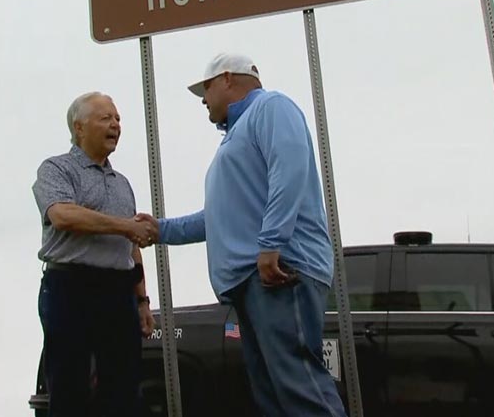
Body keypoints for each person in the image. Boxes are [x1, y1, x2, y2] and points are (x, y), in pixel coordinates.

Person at [139, 53, 347, 417]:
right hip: (254, 280)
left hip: (280, 271)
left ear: (227, 80)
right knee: (273, 396)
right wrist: (161, 230)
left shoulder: (271, 107)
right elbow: (220, 217)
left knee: (300, 389)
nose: (203, 100)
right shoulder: (237, 134)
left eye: (205, 89)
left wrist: (271, 245)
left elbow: (290, 170)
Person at [32, 91, 157, 417]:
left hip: (117, 292)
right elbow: (64, 216)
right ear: (79, 126)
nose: (115, 124)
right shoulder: (56, 169)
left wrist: (142, 300)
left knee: (124, 388)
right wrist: (124, 226)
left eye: (117, 119)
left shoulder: (122, 183)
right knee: (70, 385)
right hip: (71, 287)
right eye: (106, 118)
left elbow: (130, 247)